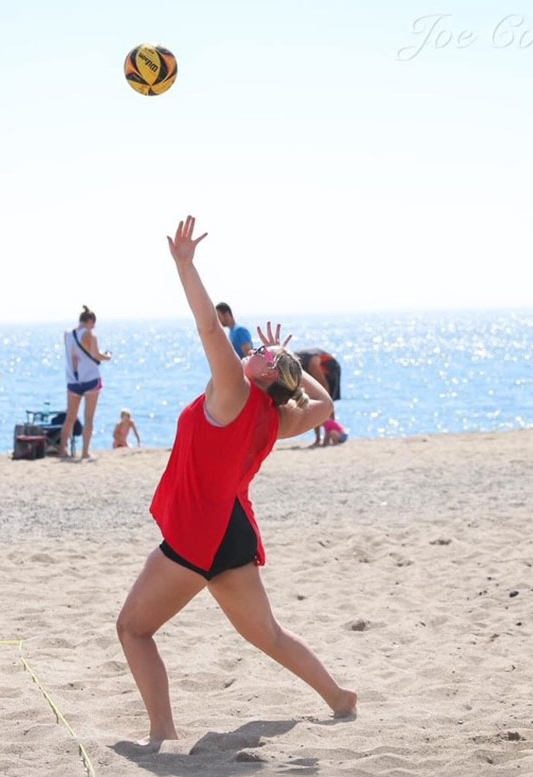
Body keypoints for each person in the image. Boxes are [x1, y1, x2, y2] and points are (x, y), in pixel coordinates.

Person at [116, 215, 357, 743]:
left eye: (264, 356)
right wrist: (290, 367)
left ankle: (163, 733)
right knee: (268, 635)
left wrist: (185, 266)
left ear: (264, 376)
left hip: (200, 533)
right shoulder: (276, 415)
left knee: (133, 629)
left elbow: (208, 326)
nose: (254, 350)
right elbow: (325, 403)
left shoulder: (234, 388)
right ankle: (339, 698)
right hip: (232, 532)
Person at [61, 305, 111, 461]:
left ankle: (63, 450)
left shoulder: (67, 335)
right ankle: (85, 452)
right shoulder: (90, 334)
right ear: (90, 321)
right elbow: (96, 355)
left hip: (73, 379)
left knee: (70, 417)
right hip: (90, 379)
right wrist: (107, 356)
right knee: (89, 418)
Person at [295, 347, 342, 448]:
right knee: (313, 404)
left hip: (331, 371)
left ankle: (328, 437)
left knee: (326, 404)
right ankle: (317, 438)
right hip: (315, 370)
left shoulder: (311, 363)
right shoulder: (294, 367)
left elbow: (324, 385)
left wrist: (326, 401)